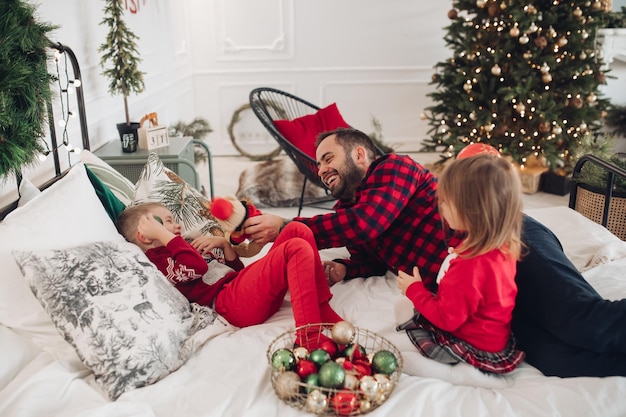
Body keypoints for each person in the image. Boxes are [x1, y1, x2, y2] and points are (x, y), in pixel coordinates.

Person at [243, 127, 626, 377]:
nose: (321, 169)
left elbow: (369, 222)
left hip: (501, 239)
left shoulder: (394, 168)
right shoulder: (347, 212)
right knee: (553, 356)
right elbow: (372, 254)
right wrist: (345, 267)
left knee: (580, 321)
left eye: (328, 158)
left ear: (360, 154)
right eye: (317, 164)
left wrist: (289, 227)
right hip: (473, 294)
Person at [115, 202, 343, 350]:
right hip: (229, 306)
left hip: (241, 296)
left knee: (298, 230)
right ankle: (309, 335)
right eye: (166, 222)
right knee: (295, 247)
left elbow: (240, 275)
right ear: (145, 236)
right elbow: (196, 268)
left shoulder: (182, 247)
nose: (176, 225)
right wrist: (168, 238)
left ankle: (321, 307)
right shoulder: (160, 260)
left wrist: (226, 248)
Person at [396, 154, 525, 373]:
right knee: (403, 312)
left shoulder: (470, 265)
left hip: (472, 344)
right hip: (491, 336)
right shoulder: (499, 246)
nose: (441, 206)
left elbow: (447, 320)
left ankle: (468, 375)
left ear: (472, 210)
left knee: (405, 359)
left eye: (447, 202)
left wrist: (414, 290)